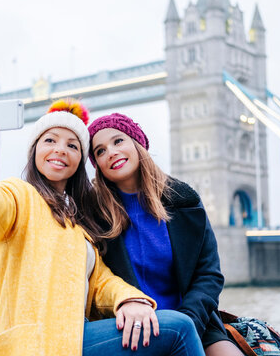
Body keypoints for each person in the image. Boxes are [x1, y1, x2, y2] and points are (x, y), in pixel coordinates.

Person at [0, 98, 205, 356]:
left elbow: (101, 282)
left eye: (72, 145)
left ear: (79, 160)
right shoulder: (19, 196)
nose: (60, 149)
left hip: (75, 336)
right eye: (50, 140)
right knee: (179, 328)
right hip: (38, 343)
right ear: (34, 149)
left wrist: (129, 299)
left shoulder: (78, 222)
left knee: (160, 325)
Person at [88, 113, 244, 356]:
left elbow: (209, 274)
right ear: (98, 165)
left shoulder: (184, 200)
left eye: (118, 141)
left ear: (137, 144)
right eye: (100, 151)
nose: (111, 152)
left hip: (195, 320)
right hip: (132, 328)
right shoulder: (95, 216)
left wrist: (188, 320)